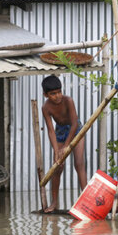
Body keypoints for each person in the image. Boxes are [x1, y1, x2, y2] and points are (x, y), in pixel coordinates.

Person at [41, 75, 87, 212]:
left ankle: (85, 201)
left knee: (79, 163)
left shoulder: (68, 101)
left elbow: (74, 124)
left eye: (59, 92)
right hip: (60, 131)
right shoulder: (46, 108)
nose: (57, 96)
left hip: (75, 130)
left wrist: (66, 146)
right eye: (53, 94)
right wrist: (57, 151)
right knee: (58, 167)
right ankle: (54, 203)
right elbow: (50, 131)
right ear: (46, 95)